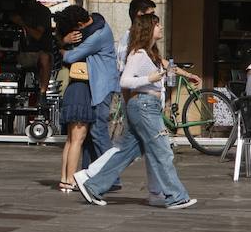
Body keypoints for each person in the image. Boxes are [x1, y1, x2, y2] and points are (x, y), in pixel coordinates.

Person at [76, 14, 197, 210]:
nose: (161, 28)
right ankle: (176, 196)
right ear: (149, 29)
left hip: (145, 106)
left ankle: (93, 186)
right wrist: (149, 78)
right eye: (157, 25)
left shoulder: (149, 54)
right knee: (163, 151)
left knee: (126, 152)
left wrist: (183, 75)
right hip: (144, 107)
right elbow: (124, 81)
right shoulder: (138, 54)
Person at [56, 4, 119, 170]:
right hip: (97, 86)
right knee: (91, 135)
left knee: (98, 132)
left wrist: (63, 44)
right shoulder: (97, 24)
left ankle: (111, 175)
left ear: (79, 25)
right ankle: (88, 173)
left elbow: (71, 57)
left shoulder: (97, 35)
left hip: (102, 87)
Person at [55, 6, 94, 193]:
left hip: (72, 89)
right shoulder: (81, 38)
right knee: (78, 139)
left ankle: (64, 178)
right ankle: (70, 179)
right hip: (81, 88)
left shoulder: (66, 39)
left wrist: (62, 43)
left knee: (70, 140)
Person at [116, 0, 157, 71]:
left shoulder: (144, 37)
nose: (154, 18)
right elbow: (124, 70)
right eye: (151, 15)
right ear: (140, 15)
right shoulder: (127, 40)